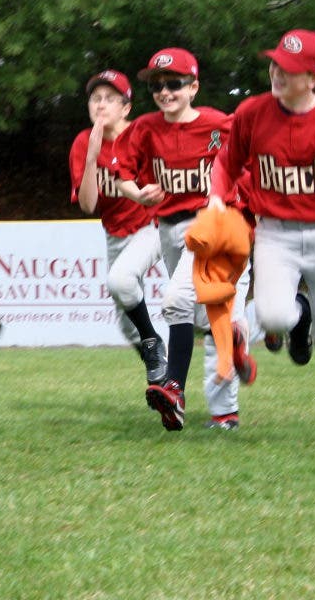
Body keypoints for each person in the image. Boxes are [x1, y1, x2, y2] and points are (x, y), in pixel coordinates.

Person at [208, 29, 315, 447]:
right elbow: (227, 162)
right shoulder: (253, 112)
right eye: (276, 63)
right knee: (273, 317)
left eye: (290, 69)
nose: (278, 73)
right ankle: (299, 316)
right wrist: (216, 197)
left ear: (314, 77)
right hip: (276, 233)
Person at [116, 47, 251, 432]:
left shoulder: (219, 124)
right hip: (171, 229)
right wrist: (137, 194)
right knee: (212, 320)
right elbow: (123, 175)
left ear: (194, 87)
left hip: (216, 226)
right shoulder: (145, 128)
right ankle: (224, 412)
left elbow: (257, 157)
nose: (165, 92)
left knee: (178, 300)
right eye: (157, 85)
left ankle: (174, 389)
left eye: (174, 83)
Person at [68, 69, 166, 384]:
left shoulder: (142, 135)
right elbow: (88, 205)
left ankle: (153, 343)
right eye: (95, 98)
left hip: (153, 225)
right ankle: (162, 379)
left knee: (120, 280)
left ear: (126, 108)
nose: (101, 104)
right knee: (126, 325)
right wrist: (92, 158)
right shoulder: (83, 143)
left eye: (110, 99)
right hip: (115, 233)